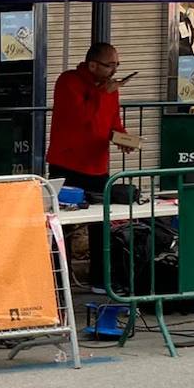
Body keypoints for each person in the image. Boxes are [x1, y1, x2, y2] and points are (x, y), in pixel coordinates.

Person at [46, 42, 134, 290]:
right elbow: (80, 117)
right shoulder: (69, 81)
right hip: (68, 163)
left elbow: (113, 120)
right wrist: (101, 93)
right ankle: (57, 281)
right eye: (109, 65)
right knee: (61, 225)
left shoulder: (110, 89)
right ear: (92, 64)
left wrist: (123, 138)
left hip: (97, 164)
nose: (114, 71)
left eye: (117, 65)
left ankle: (100, 279)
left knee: (101, 225)